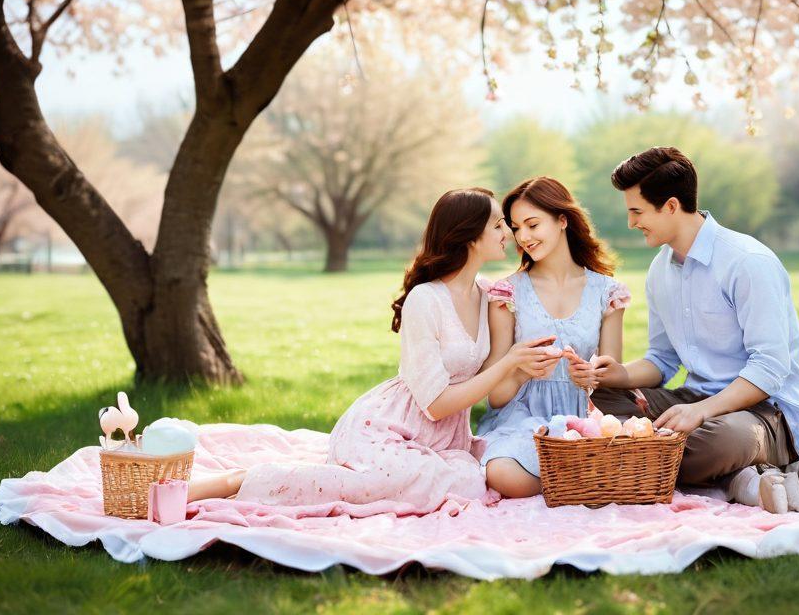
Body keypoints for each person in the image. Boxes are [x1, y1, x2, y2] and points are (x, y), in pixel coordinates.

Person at [188, 188, 559, 515]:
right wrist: (509, 362)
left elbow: (489, 373)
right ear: (468, 236)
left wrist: (523, 366)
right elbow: (435, 405)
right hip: (389, 429)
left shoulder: (488, 293)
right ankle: (234, 482)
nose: (507, 233)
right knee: (421, 484)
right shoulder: (425, 300)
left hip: (445, 439)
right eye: (497, 225)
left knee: (466, 483)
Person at [590, 147, 799, 511]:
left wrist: (703, 412)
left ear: (671, 206)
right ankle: (743, 476)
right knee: (595, 404)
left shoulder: (747, 262)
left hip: (765, 414)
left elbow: (770, 368)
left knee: (725, 439)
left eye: (636, 212)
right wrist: (620, 374)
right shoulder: (660, 271)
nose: (631, 223)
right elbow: (663, 360)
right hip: (696, 399)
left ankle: (748, 469)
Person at [477, 177, 631, 498]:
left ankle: (569, 478)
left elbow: (614, 371)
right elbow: (495, 397)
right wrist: (521, 371)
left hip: (584, 415)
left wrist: (592, 375)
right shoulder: (506, 293)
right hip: (523, 416)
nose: (524, 237)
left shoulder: (608, 292)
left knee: (626, 454)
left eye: (533, 225)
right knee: (502, 472)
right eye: (517, 228)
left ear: (562, 220)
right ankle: (580, 482)